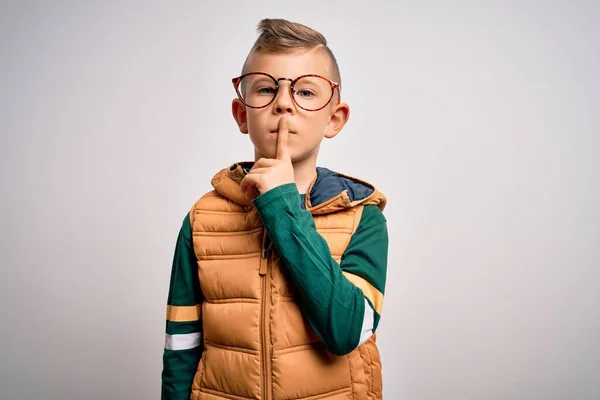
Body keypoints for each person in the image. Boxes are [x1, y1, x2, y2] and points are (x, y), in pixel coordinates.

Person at [161, 18, 389, 400]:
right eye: (266, 89)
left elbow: (347, 331)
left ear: (334, 119)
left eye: (305, 92)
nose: (283, 103)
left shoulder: (363, 217)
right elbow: (181, 348)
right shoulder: (202, 220)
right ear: (240, 114)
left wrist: (282, 203)